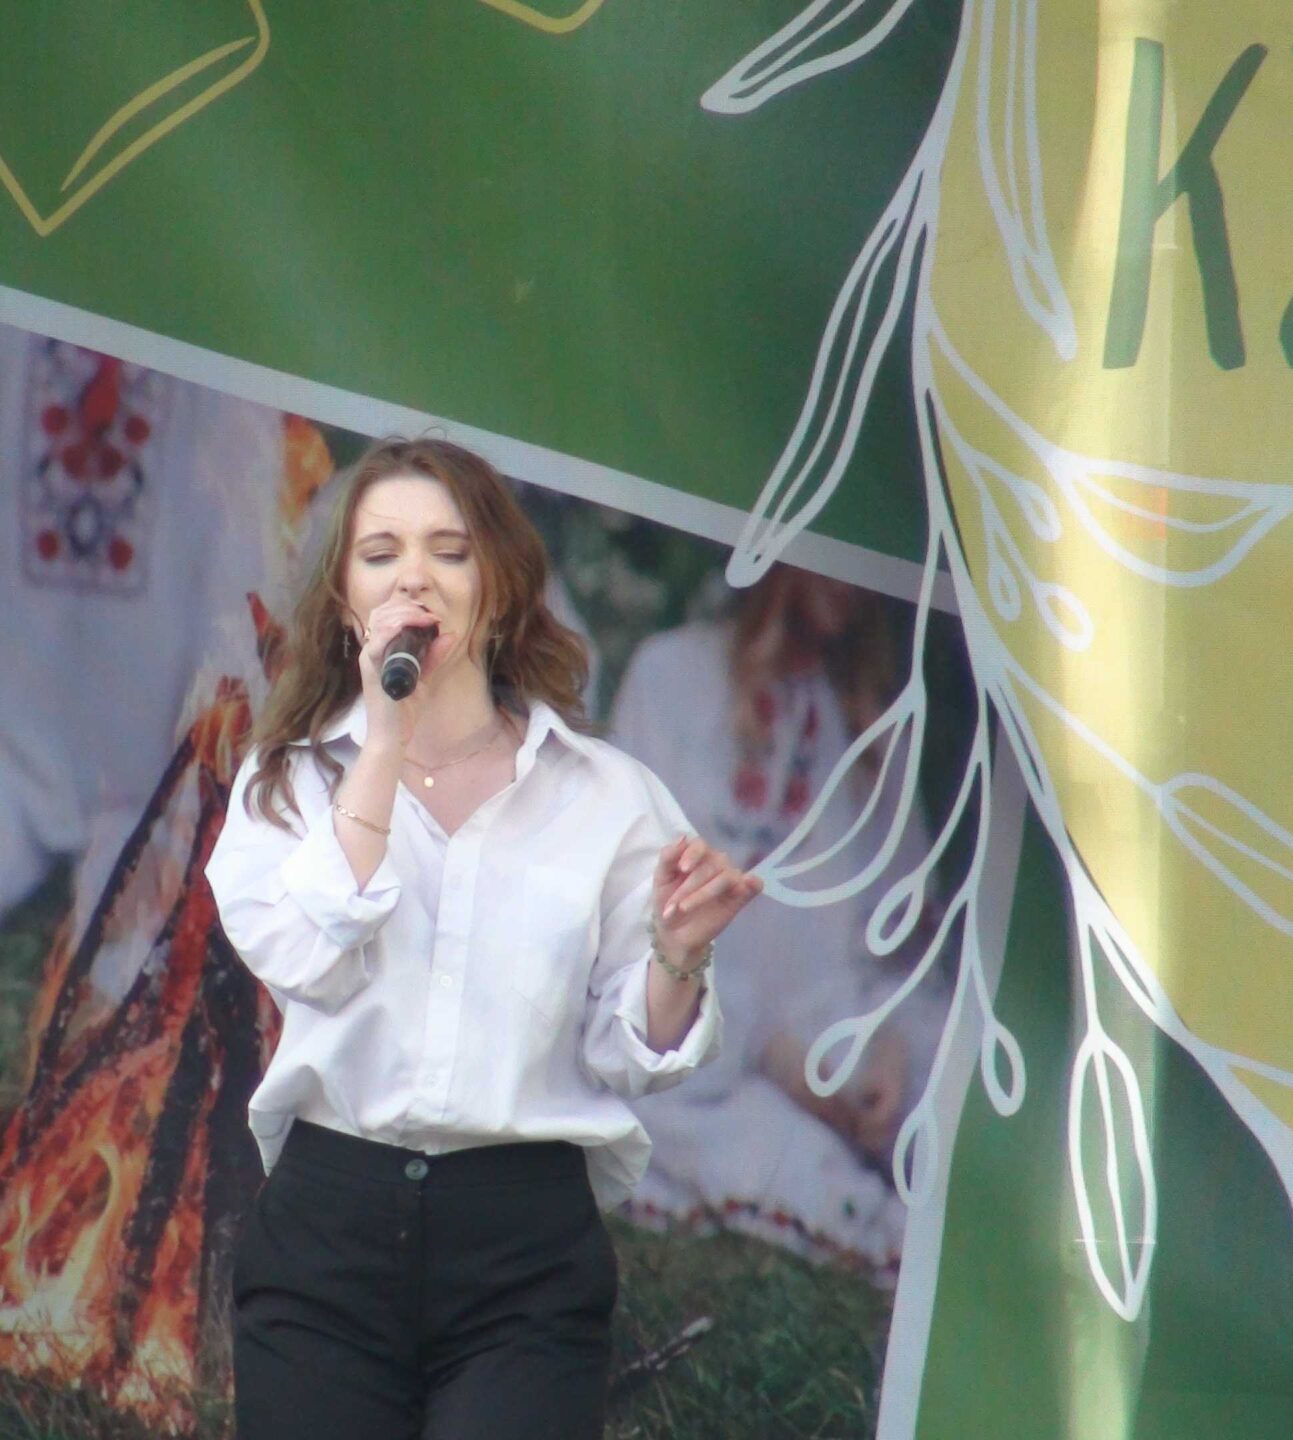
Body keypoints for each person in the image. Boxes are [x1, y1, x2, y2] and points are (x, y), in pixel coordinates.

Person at [203, 437, 763, 1439]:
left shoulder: (607, 797)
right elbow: (308, 960)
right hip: (330, 1230)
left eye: (448, 550)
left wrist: (678, 955)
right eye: (380, 553)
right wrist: (382, 739)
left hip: (523, 1250)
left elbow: (629, 1052)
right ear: (344, 601)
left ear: (498, 588)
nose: (412, 576)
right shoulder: (286, 781)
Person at [0, 301, 285, 957]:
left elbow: (237, 579)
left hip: (153, 776)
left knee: (142, 974)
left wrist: (192, 805)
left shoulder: (225, 302)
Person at [608, 564, 948, 1265]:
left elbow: (904, 952)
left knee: (954, 1089)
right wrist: (775, 1054)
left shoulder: (871, 727)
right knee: (743, 1142)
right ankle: (859, 1212)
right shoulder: (670, 677)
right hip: (710, 1060)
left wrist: (888, 1045)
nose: (847, 583)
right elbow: (633, 925)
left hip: (843, 1041)